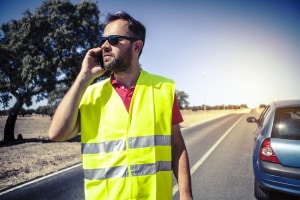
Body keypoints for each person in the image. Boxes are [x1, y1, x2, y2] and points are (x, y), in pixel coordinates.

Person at [49, 11, 193, 200]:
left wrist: (186, 194)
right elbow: (56, 134)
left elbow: (177, 146)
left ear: (137, 46)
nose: (105, 46)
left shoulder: (163, 89)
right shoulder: (90, 93)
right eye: (104, 40)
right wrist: (84, 77)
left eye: (114, 39)